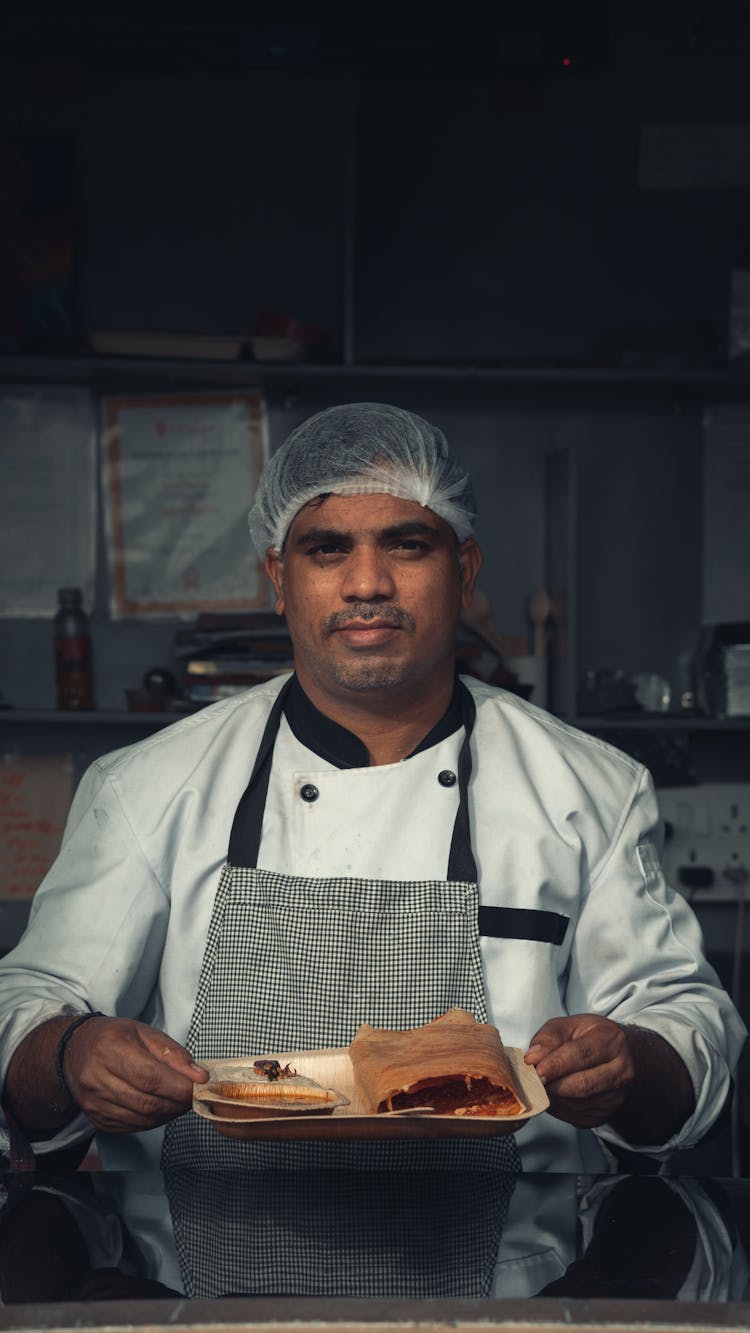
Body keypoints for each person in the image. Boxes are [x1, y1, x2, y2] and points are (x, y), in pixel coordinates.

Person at [0, 402, 745, 1174]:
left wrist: (628, 1064)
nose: (367, 583)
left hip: (518, 1278)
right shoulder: (147, 787)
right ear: (278, 579)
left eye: (408, 544)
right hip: (192, 1284)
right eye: (326, 549)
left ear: (464, 571)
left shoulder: (591, 788)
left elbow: (693, 1028)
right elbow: (25, 1005)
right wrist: (71, 1052)